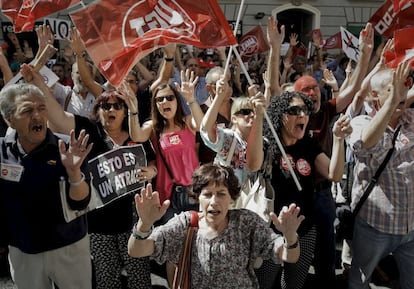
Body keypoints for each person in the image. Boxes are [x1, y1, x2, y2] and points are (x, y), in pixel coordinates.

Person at [20, 64, 156, 289]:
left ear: (125, 111)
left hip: (135, 220)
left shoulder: (136, 133)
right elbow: (57, 118)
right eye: (104, 105)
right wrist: (39, 83)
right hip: (98, 223)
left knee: (139, 279)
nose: (109, 110)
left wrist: (152, 171)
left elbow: (153, 162)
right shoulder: (89, 130)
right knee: (106, 280)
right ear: (97, 109)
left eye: (116, 106)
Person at [128, 164, 304, 289]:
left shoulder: (246, 222)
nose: (214, 201)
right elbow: (136, 250)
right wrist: (145, 224)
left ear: (231, 198)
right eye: (207, 194)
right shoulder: (185, 225)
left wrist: (290, 237)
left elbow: (289, 255)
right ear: (198, 197)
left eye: (221, 194)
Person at [246, 91, 352, 289]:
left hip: (304, 229)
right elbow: (252, 164)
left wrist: (338, 140)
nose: (302, 114)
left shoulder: (308, 145)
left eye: (305, 110)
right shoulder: (269, 144)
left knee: (294, 283)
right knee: (263, 283)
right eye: (294, 110)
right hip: (270, 232)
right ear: (280, 115)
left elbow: (334, 174)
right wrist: (259, 116)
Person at [0, 83, 93, 289]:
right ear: (9, 119)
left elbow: (81, 203)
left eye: (41, 108)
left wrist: (74, 173)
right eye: (27, 110)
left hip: (69, 248)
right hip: (23, 251)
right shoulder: (2, 152)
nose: (37, 116)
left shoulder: (69, 149)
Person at [348, 59, 414, 289]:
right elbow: (366, 144)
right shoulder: (360, 122)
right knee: (360, 280)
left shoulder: (411, 121)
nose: (400, 92)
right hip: (375, 227)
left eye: (403, 86)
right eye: (391, 88)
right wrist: (392, 102)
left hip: (410, 227)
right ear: (375, 96)